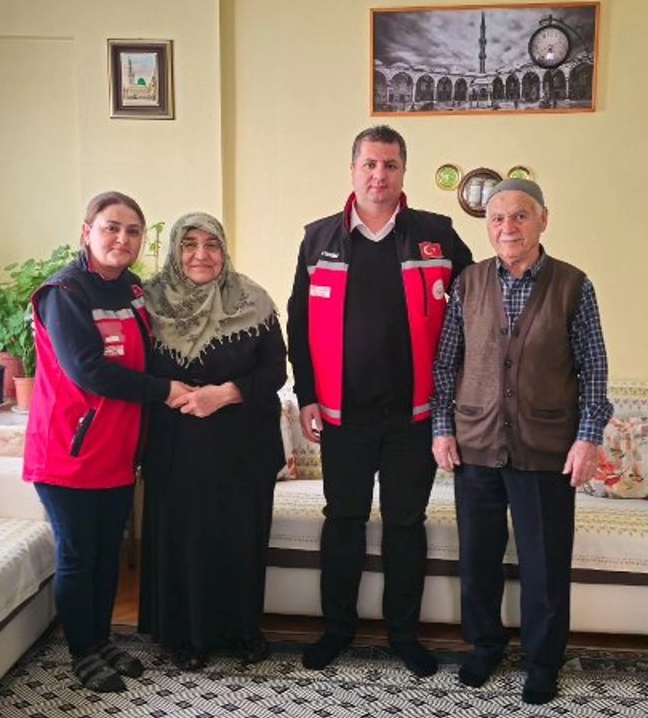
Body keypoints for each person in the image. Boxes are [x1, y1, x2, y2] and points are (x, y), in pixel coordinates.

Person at [286, 125, 473, 677]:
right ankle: (337, 630)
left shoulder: (437, 235)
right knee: (343, 520)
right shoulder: (318, 239)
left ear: (402, 172)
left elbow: (474, 309)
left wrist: (457, 400)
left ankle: (404, 635)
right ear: (353, 170)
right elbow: (298, 325)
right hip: (342, 417)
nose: (379, 175)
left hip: (414, 416)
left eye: (390, 165)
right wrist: (306, 396)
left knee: (404, 525)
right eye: (369, 164)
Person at [430, 178, 612, 705]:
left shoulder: (574, 285)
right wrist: (442, 427)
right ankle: (485, 647)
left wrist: (587, 438)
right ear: (487, 227)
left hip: (546, 448)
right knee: (478, 559)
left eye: (520, 216)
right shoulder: (467, 283)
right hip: (477, 444)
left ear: (543, 220)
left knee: (545, 564)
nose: (507, 227)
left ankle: (542, 662)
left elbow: (594, 369)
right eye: (497, 218)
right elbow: (446, 363)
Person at [23, 191, 181, 693]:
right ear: (87, 231)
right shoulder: (63, 293)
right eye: (111, 227)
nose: (122, 238)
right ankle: (82, 651)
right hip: (67, 453)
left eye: (133, 231)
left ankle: (101, 638)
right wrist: (165, 391)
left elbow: (147, 354)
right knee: (78, 555)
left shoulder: (132, 290)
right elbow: (88, 371)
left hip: (116, 451)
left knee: (108, 553)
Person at [138, 212, 287, 671]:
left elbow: (275, 370)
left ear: (224, 249)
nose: (201, 255)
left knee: (240, 540)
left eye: (211, 244)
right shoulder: (146, 303)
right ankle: (184, 636)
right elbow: (131, 370)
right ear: (175, 251)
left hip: (243, 447)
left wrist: (224, 394)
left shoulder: (253, 301)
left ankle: (241, 630)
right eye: (189, 245)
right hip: (175, 449)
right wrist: (167, 391)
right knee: (183, 541)